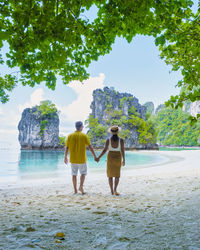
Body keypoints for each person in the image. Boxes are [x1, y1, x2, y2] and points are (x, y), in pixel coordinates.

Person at [64, 121, 98, 195]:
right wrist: (95, 156)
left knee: (74, 174)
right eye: (82, 126)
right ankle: (81, 186)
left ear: (76, 127)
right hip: (82, 159)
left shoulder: (70, 136)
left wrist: (65, 157)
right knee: (83, 173)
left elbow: (67, 147)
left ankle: (75, 190)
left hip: (73, 159)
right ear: (81, 127)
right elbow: (90, 147)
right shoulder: (84, 136)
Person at [97, 125, 125, 195]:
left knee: (110, 175)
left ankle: (112, 191)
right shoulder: (121, 140)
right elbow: (122, 150)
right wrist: (124, 160)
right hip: (118, 157)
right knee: (117, 175)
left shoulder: (108, 140)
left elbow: (104, 150)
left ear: (111, 132)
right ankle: (115, 190)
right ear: (118, 132)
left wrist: (99, 157)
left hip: (110, 157)